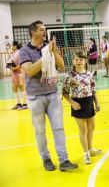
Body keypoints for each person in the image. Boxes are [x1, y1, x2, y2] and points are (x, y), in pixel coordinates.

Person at [19, 20, 78, 171]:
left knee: (59, 128)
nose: (44, 32)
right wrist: (45, 55)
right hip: (35, 97)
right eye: (41, 30)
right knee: (40, 131)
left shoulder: (48, 48)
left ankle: (64, 160)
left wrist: (53, 51)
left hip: (52, 94)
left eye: (45, 29)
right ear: (33, 32)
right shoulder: (24, 51)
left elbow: (62, 66)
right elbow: (30, 71)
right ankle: (46, 158)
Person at [62, 51, 102, 164]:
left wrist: (97, 103)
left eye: (81, 59)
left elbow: (93, 90)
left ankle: (90, 149)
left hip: (89, 102)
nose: (79, 61)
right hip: (77, 104)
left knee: (91, 128)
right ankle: (86, 154)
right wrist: (72, 103)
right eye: (76, 59)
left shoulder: (89, 74)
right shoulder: (69, 75)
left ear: (85, 61)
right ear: (73, 61)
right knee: (83, 130)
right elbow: (64, 92)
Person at [7, 41, 27, 109]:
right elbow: (11, 61)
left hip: (20, 72)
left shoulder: (19, 52)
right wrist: (10, 66)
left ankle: (25, 104)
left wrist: (14, 68)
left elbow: (21, 63)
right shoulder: (14, 53)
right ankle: (18, 103)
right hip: (14, 73)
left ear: (15, 46)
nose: (11, 47)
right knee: (14, 88)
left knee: (22, 88)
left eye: (12, 45)